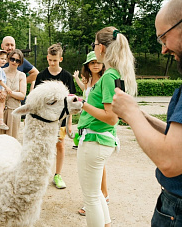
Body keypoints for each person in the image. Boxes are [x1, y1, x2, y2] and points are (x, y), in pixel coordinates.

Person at [112, 0, 182, 225]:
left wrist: (131, 113)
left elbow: (170, 161)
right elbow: (176, 140)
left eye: (164, 37)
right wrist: (141, 117)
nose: (163, 48)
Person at [77, 27, 137, 227]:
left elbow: (111, 118)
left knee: (91, 198)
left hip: (95, 140)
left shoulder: (109, 76)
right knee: (96, 194)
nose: (94, 49)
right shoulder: (114, 74)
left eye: (94, 45)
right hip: (99, 140)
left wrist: (82, 104)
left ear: (101, 47)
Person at [34, 44, 77, 189]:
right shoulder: (41, 76)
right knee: (42, 146)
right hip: (43, 120)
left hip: (61, 119)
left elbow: (71, 102)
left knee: (60, 144)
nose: (52, 63)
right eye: (50, 60)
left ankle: (57, 175)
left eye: (55, 60)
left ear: (61, 59)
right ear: (47, 58)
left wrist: (69, 123)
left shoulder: (66, 76)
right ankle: (40, 174)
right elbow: (37, 101)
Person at [0, 36, 39, 140]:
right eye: (7, 45)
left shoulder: (21, 66)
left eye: (12, 45)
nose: (10, 47)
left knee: (11, 138)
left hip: (13, 106)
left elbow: (35, 73)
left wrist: (22, 82)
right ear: (2, 46)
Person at [72, 51, 109, 216]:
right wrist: (77, 79)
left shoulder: (105, 80)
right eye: (92, 62)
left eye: (98, 62)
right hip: (86, 125)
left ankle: (96, 199)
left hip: (97, 127)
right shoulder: (89, 81)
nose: (95, 64)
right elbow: (84, 92)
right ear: (87, 65)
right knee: (96, 165)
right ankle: (102, 195)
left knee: (94, 166)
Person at [0, 49, 27, 139]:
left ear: (20, 62)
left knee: (11, 140)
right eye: (12, 59)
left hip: (13, 111)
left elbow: (22, 95)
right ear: (8, 59)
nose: (14, 62)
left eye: (17, 60)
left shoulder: (21, 75)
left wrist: (8, 93)